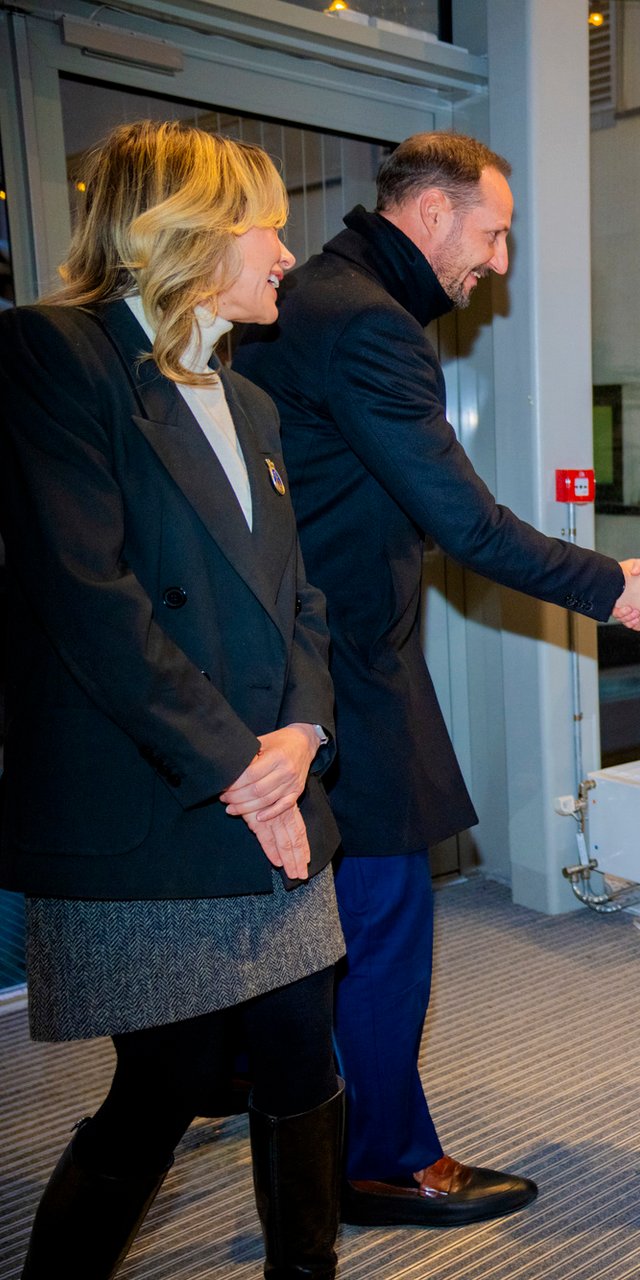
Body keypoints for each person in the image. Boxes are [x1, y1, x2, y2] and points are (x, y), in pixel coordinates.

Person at [232, 133, 640, 1227]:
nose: (500, 262)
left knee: (316, 922)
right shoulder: (368, 323)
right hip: (343, 667)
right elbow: (467, 524)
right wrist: (612, 584)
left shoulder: (313, 301)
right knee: (382, 921)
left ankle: (312, 1125)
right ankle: (383, 1161)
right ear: (430, 213)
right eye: (493, 233)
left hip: (289, 654)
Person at [0, 120, 344, 1279]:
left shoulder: (251, 403)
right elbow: (91, 602)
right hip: (158, 792)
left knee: (304, 1054)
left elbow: (300, 598)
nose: (286, 254)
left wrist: (302, 734)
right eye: (265, 226)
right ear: (185, 229)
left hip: (274, 780)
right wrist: (246, 769)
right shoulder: (54, 355)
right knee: (169, 1081)